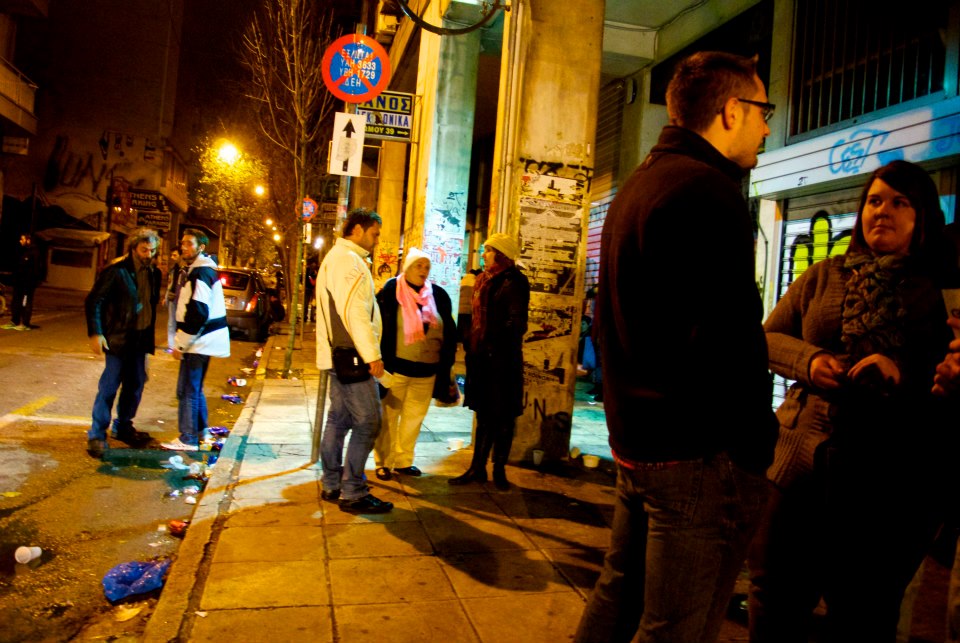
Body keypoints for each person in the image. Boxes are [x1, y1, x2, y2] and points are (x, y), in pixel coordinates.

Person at [574, 51, 778, 643]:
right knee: (675, 628)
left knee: (619, 599)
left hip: (643, 444)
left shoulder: (643, 184)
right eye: (763, 110)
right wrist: (752, 446)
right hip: (697, 457)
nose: (768, 126)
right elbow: (726, 341)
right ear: (732, 110)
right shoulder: (706, 191)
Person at [748, 160, 960, 643]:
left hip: (889, 480)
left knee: (864, 611)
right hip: (800, 467)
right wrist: (812, 361)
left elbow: (949, 383)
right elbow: (766, 340)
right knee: (775, 595)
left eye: (899, 203)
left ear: (922, 214)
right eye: (874, 201)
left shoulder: (939, 292)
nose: (882, 212)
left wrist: (901, 376)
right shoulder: (826, 275)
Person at [315, 208, 393, 514]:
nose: (376, 240)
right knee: (368, 423)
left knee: (339, 420)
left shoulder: (336, 259)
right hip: (353, 357)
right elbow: (354, 313)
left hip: (340, 355)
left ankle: (332, 483)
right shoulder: (348, 262)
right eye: (374, 233)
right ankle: (354, 491)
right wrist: (372, 356)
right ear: (358, 230)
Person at [448, 232, 529, 491]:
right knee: (483, 415)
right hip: (482, 359)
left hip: (503, 362)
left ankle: (499, 470)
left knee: (503, 417)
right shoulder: (483, 280)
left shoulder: (515, 281)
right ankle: (477, 468)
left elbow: (517, 323)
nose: (483, 254)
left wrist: (493, 342)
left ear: (502, 254)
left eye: (488, 250)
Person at [373, 247, 458, 481]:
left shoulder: (438, 295)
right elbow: (378, 326)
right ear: (407, 268)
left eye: (427, 266)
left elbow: (448, 330)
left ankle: (403, 461)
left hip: (426, 371)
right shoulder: (391, 291)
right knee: (389, 418)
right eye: (418, 265)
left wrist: (447, 363)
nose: (423, 270)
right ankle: (384, 463)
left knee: (414, 420)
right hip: (396, 369)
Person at [84, 228, 161, 458]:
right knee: (108, 387)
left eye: (152, 250)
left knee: (135, 385)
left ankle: (123, 426)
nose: (148, 254)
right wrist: (96, 333)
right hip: (118, 338)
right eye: (144, 249)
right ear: (134, 248)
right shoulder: (117, 271)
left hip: (140, 339)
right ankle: (97, 434)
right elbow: (94, 301)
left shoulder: (153, 273)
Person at [162, 229, 230, 452]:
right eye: (182, 243)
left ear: (201, 247)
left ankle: (188, 437)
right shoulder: (199, 270)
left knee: (187, 390)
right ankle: (200, 431)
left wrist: (181, 343)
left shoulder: (200, 273)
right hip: (203, 339)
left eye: (189, 244)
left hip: (199, 339)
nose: (184, 247)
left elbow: (199, 311)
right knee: (195, 387)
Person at [3, 234, 41, 331]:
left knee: (25, 303)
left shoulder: (34, 253)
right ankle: (14, 321)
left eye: (22, 239)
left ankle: (25, 323)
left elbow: (36, 269)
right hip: (19, 283)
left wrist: (33, 282)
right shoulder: (23, 251)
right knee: (15, 302)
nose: (20, 241)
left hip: (28, 285)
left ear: (28, 240)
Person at [165, 248, 183, 351]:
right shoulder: (173, 269)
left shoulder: (184, 268)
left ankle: (178, 345)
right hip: (173, 297)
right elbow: (170, 283)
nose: (172, 257)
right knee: (171, 322)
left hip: (181, 299)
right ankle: (171, 346)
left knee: (180, 321)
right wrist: (166, 296)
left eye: (175, 255)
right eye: (172, 255)